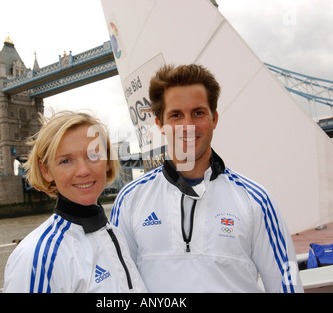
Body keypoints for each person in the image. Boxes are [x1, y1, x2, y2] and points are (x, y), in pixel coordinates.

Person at [110, 64, 303, 293]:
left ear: (214, 119)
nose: (188, 126)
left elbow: (286, 285)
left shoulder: (256, 200)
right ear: (160, 124)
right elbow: (118, 287)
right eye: (176, 115)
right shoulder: (130, 200)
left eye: (198, 113)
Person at [3, 110, 146, 293]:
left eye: (93, 156)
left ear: (108, 160)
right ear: (46, 170)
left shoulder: (113, 233)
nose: (83, 171)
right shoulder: (39, 257)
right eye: (66, 161)